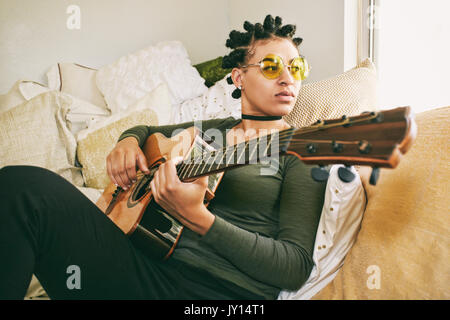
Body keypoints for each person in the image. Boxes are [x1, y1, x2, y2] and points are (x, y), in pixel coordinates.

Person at [0, 15, 326, 300]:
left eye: (297, 67)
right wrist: (126, 142)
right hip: (145, 264)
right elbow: (147, 129)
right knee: (20, 186)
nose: (288, 78)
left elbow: (294, 267)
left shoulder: (302, 148)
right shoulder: (213, 130)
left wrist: (198, 217)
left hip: (213, 295)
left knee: (25, 194)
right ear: (239, 78)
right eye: (271, 66)